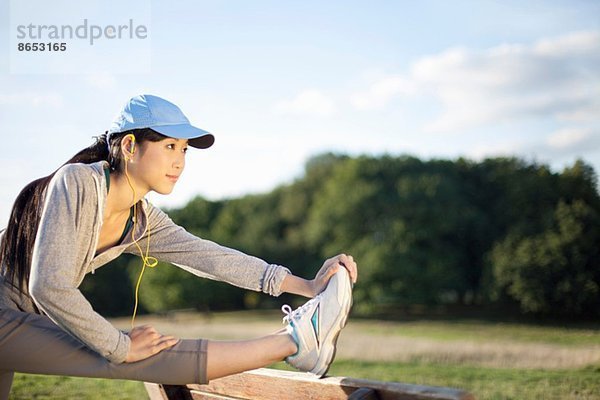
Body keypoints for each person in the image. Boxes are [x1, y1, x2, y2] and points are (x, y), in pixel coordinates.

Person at [0, 94, 358, 399]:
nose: (179, 162)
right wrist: (119, 347)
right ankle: (296, 342)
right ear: (129, 146)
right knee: (138, 354)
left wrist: (307, 286)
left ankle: (299, 340)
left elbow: (212, 258)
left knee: (133, 351)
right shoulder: (78, 182)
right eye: (169, 146)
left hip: (23, 318)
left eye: (184, 150)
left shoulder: (142, 220)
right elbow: (47, 285)